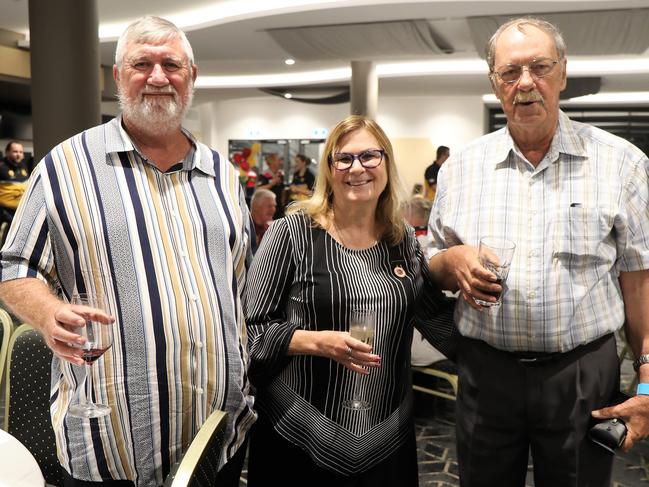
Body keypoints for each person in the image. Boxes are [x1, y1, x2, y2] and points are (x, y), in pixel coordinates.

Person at [0, 16, 255, 487]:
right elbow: (15, 268)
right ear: (118, 77)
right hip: (110, 441)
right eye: (141, 63)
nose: (157, 76)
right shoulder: (64, 168)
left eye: (170, 64)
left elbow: (238, 289)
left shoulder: (224, 175)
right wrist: (48, 312)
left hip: (215, 435)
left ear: (191, 76)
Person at [427, 17, 649, 487]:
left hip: (583, 375)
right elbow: (433, 260)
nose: (525, 83)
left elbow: (640, 282)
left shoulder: (621, 162)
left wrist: (647, 382)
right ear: (494, 83)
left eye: (539, 67)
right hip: (486, 372)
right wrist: (454, 262)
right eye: (510, 72)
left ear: (563, 74)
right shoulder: (461, 168)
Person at [244, 115, 456, 487]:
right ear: (329, 169)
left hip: (386, 435)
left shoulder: (402, 240)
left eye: (370, 156)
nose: (357, 168)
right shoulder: (291, 233)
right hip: (299, 432)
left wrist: (508, 352)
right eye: (344, 159)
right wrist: (316, 341)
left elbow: (436, 319)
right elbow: (252, 333)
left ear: (387, 164)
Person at [0, 141, 30, 227]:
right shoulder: (2, 167)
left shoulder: (23, 166)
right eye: (15, 151)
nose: (18, 154)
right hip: (5, 210)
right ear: (7, 152)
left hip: (22, 209)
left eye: (21, 152)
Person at [257, 152, 285, 219]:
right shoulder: (264, 175)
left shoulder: (280, 174)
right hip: (267, 208)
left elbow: (282, 190)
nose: (280, 162)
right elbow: (259, 189)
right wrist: (272, 184)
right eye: (278, 160)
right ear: (272, 162)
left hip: (279, 208)